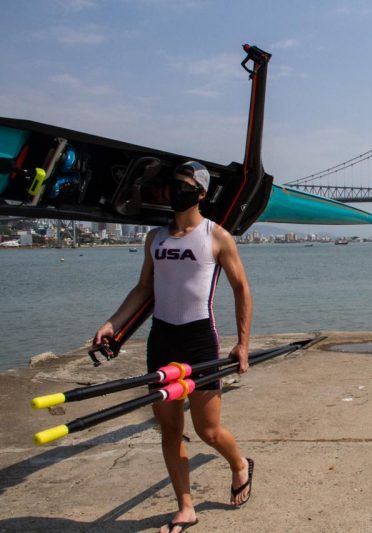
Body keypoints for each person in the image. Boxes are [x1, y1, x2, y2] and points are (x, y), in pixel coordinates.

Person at [93, 161, 254, 533]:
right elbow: (144, 289)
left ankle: (239, 464)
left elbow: (241, 288)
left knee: (208, 431)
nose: (174, 191)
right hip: (162, 339)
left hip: (199, 339)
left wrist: (242, 345)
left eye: (183, 185)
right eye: (172, 184)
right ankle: (185, 506)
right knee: (169, 430)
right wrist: (112, 324)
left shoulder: (217, 236)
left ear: (200, 193)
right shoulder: (155, 238)